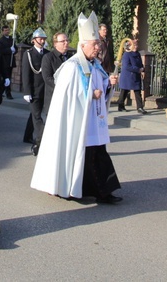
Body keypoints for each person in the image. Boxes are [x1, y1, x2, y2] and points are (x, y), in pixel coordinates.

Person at [31, 12, 122, 204]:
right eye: (94, 44)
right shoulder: (72, 67)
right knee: (83, 155)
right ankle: (72, 187)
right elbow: (69, 96)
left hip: (93, 121)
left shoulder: (95, 65)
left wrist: (108, 84)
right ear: (82, 45)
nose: (98, 48)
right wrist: (91, 94)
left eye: (98, 44)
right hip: (76, 122)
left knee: (98, 154)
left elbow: (101, 87)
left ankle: (104, 191)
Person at [22, 28, 48, 155]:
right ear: (34, 40)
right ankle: (41, 140)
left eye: (43, 39)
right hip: (34, 90)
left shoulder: (47, 53)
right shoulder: (28, 53)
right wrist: (27, 91)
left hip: (45, 90)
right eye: (40, 38)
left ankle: (27, 136)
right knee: (37, 117)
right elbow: (26, 74)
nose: (42, 41)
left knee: (33, 114)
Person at [116, 39, 146, 114]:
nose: (136, 47)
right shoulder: (127, 54)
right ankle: (121, 105)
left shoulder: (138, 54)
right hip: (127, 76)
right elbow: (126, 66)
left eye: (136, 45)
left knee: (137, 92)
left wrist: (142, 68)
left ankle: (140, 107)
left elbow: (140, 63)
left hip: (136, 76)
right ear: (130, 46)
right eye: (134, 45)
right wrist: (138, 69)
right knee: (124, 91)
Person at [0, 25, 16, 99]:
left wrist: (14, 50)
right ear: (2, 31)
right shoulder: (0, 41)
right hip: (4, 62)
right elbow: (0, 51)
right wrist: (9, 50)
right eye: (5, 30)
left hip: (11, 61)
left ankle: (3, 92)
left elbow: (15, 48)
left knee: (8, 78)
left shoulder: (12, 39)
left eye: (8, 30)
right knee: (5, 77)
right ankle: (7, 93)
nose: (7, 31)